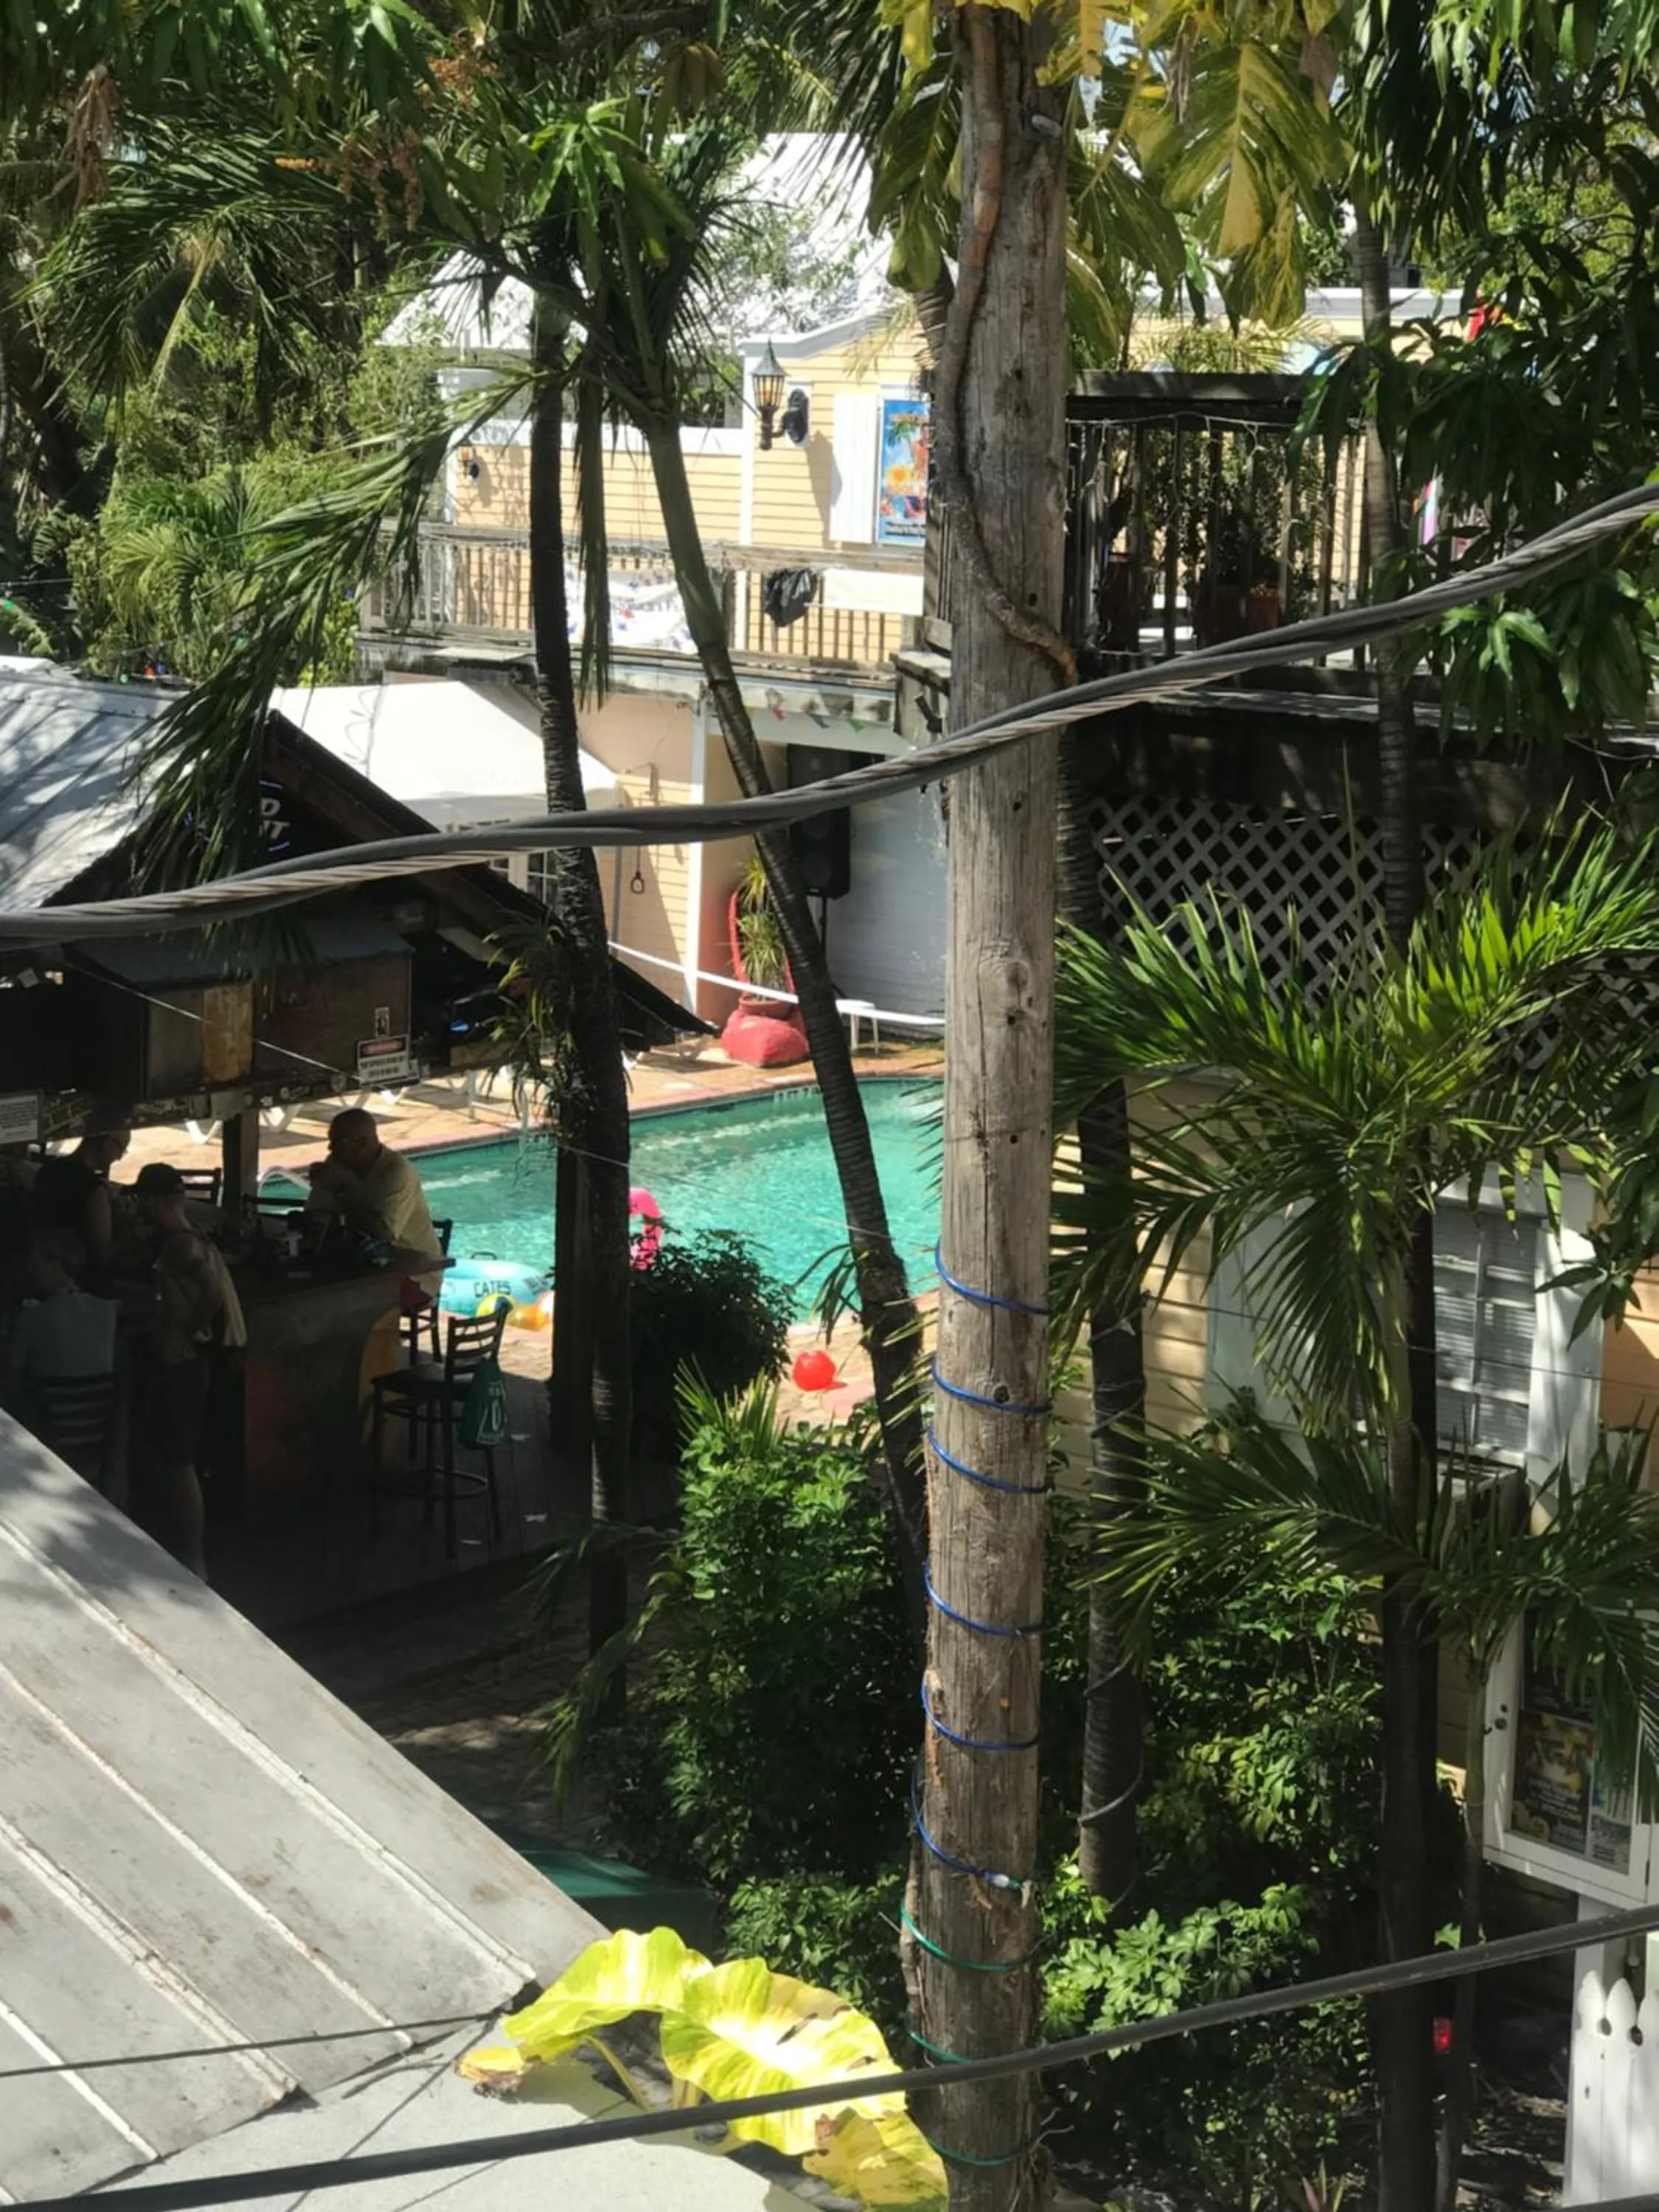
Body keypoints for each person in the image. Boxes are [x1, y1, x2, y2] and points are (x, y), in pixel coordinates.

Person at [133, 1162, 247, 1580]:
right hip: (190, 1362)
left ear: (155, 1202)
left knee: (179, 1463)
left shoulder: (182, 1247)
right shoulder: (193, 1239)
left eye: (142, 1200)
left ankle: (193, 1560)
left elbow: (211, 1292)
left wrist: (186, 1329)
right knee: (176, 1459)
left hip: (184, 1364)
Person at [306, 1107, 443, 1263]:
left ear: (362, 1143)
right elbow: (315, 1212)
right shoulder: (340, 1160)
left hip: (413, 1264)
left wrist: (344, 1189)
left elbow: (383, 1235)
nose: (330, 1148)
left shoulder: (396, 1171)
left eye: (338, 1142)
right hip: (363, 1258)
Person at [6, 1228, 117, 1405]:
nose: (29, 1269)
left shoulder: (30, 1319)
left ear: (57, 1263)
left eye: (34, 1261)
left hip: (48, 1421)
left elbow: (13, 1383)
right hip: (101, 1420)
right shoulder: (109, 1311)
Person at [30, 1106, 131, 1293]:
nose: (119, 1157)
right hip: (82, 1287)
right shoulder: (93, 1190)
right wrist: (127, 1232)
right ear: (106, 1142)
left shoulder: (47, 1172)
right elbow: (103, 1256)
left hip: (44, 1278)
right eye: (121, 1149)